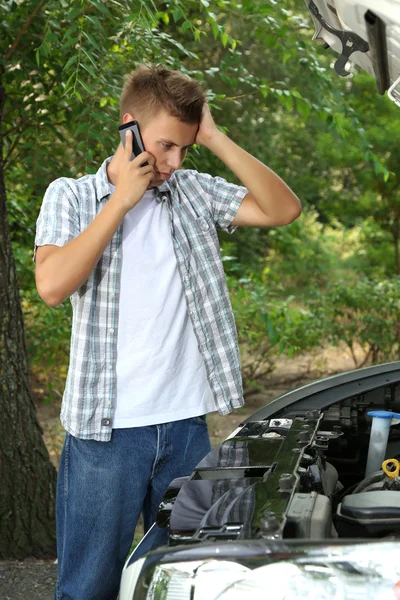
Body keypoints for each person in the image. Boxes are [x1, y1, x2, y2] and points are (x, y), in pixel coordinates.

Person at [34, 64, 301, 600]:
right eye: (165, 146)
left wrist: (215, 136)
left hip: (185, 430)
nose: (175, 162)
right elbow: (53, 286)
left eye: (185, 148)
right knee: (87, 589)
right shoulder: (72, 196)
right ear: (128, 126)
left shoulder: (192, 192)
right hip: (104, 435)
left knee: (188, 583)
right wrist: (120, 202)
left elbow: (283, 209)